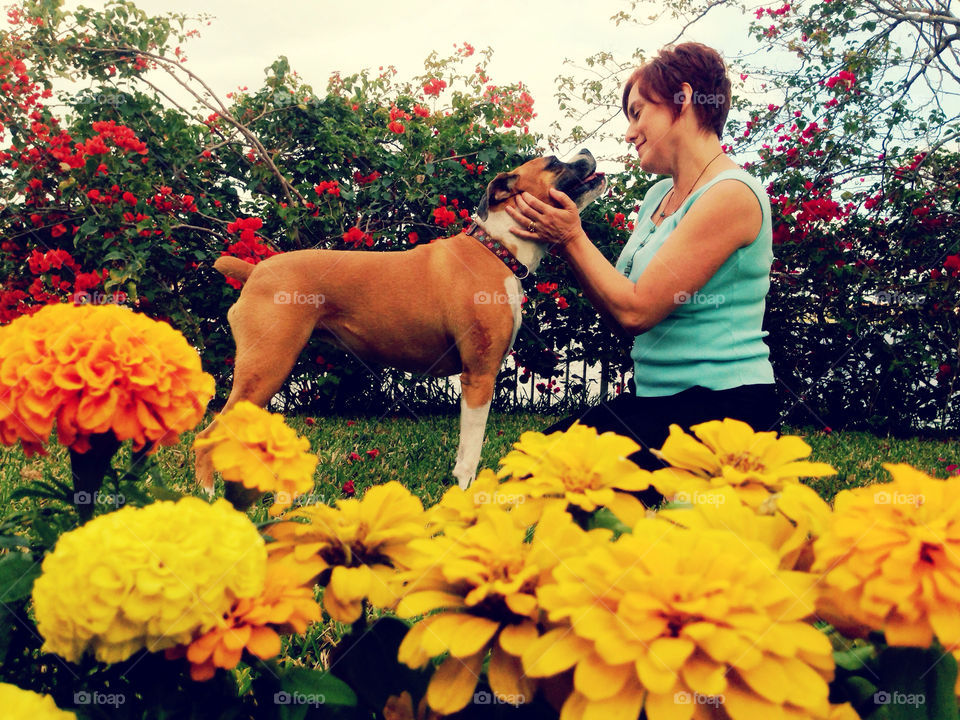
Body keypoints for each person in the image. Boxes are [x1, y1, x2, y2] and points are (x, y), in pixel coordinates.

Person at [506, 42, 779, 483]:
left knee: (558, 494)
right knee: (525, 472)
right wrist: (558, 238)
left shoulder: (732, 195)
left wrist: (572, 237)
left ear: (684, 100)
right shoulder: (658, 197)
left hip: (725, 414)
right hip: (655, 404)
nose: (629, 133)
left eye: (637, 113)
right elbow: (622, 310)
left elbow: (636, 311)